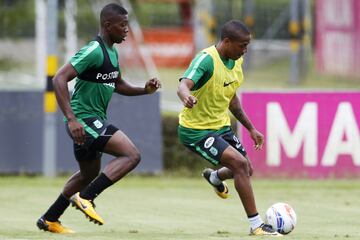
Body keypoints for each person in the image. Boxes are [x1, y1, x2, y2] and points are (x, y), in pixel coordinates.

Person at [36, 3, 161, 234]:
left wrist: (145, 90)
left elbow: (118, 84)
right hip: (84, 120)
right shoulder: (94, 50)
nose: (126, 30)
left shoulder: (112, 51)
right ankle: (86, 198)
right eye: (122, 25)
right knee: (131, 155)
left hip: (88, 122)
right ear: (107, 25)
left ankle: (50, 219)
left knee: (88, 174)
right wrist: (72, 119)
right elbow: (59, 79)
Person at [177, 20, 281, 236]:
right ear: (227, 41)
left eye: (247, 45)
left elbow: (231, 99)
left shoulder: (236, 62)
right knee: (240, 164)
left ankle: (215, 177)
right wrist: (186, 97)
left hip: (220, 126)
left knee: (246, 169)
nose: (245, 50)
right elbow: (183, 84)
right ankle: (256, 225)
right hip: (195, 131)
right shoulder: (207, 60)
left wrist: (251, 128)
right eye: (242, 45)